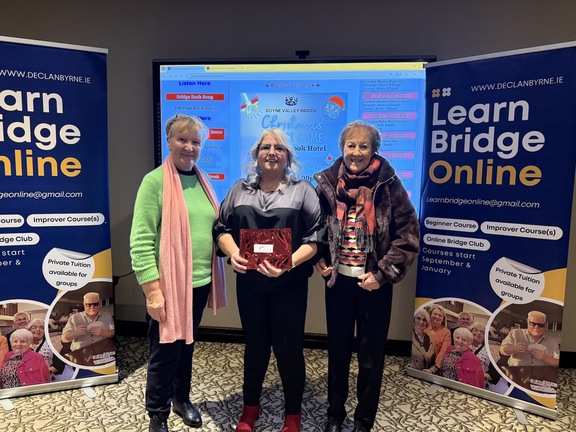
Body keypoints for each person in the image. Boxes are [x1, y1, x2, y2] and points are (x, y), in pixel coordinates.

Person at [213, 128, 323, 432]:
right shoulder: (239, 190)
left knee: (289, 350)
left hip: (289, 286)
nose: (272, 152)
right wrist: (234, 253)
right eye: (265, 147)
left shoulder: (303, 191)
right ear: (256, 154)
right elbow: (220, 228)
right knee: (255, 347)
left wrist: (287, 263)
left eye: (279, 148)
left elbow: (316, 238)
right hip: (250, 286)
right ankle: (250, 408)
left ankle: (293, 415)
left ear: (288, 156)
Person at [314, 120, 419, 432]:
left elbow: (409, 235)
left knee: (371, 358)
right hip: (338, 283)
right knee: (338, 353)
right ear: (342, 148)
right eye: (351, 145)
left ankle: (363, 420)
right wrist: (320, 259)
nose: (356, 152)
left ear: (374, 150)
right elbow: (316, 227)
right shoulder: (327, 184)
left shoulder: (389, 185)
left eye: (364, 146)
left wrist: (383, 274)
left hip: (374, 285)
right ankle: (335, 415)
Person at [130, 114, 226, 432]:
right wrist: (152, 292)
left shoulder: (202, 180)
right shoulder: (154, 182)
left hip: (198, 282)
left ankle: (181, 399)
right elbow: (141, 241)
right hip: (168, 286)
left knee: (186, 346)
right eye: (182, 140)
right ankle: (157, 413)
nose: (189, 147)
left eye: (195, 141)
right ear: (169, 142)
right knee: (164, 351)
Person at [469, 322, 503, 391]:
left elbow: (495, 374)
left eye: (482, 332)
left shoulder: (490, 351)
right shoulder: (462, 345)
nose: (478, 333)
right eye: (475, 330)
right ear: (470, 332)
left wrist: (479, 376)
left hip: (479, 386)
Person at [427, 305, 451, 374]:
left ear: (443, 318)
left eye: (440, 315)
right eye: (435, 314)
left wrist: (434, 368)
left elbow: (444, 351)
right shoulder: (424, 328)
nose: (437, 316)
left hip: (435, 368)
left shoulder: (446, 332)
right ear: (430, 314)